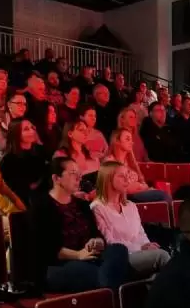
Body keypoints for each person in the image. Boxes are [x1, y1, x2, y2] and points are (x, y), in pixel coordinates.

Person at [29, 157, 130, 293]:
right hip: (60, 264)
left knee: (119, 249)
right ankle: (110, 290)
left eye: (79, 174)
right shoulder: (41, 206)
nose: (78, 178)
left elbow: (96, 234)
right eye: (73, 173)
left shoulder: (82, 204)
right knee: (110, 272)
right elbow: (46, 248)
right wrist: (78, 255)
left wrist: (97, 241)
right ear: (56, 178)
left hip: (90, 256)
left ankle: (107, 288)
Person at [90, 162, 171, 277]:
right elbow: (110, 242)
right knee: (162, 256)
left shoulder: (130, 206)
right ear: (108, 179)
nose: (127, 179)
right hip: (120, 258)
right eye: (121, 176)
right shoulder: (97, 208)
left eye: (127, 175)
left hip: (139, 253)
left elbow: (140, 233)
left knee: (166, 259)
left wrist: (147, 245)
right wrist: (140, 248)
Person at [104, 128, 169, 202]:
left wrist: (141, 186)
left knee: (164, 195)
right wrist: (137, 187)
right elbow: (114, 188)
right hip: (125, 197)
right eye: (127, 139)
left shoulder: (131, 161)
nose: (131, 142)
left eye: (131, 140)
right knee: (162, 196)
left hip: (139, 193)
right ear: (117, 141)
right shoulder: (109, 161)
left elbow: (143, 183)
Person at [0, 118, 47, 206]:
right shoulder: (8, 160)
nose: (32, 131)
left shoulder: (41, 151)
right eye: (26, 129)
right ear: (16, 134)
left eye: (32, 128)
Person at [54, 120, 100, 193]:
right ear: (70, 133)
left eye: (86, 130)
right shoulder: (61, 155)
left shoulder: (91, 155)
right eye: (81, 130)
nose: (85, 133)